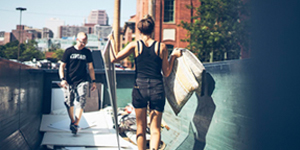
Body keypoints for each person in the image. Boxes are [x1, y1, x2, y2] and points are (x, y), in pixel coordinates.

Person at [109, 15, 182, 150]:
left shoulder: (134, 45)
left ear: (139, 31)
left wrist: (113, 41)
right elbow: (166, 72)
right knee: (155, 129)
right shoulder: (162, 47)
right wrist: (173, 57)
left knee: (140, 128)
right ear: (153, 30)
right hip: (157, 88)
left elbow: (114, 58)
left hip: (140, 88)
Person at [59, 32, 97, 134]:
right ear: (77, 40)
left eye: (85, 42)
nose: (83, 44)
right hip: (69, 80)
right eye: (81, 42)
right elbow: (61, 66)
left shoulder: (87, 52)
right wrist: (63, 79)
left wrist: (93, 81)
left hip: (82, 80)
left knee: (82, 99)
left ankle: (76, 124)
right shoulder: (69, 51)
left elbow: (90, 67)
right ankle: (72, 121)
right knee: (69, 102)